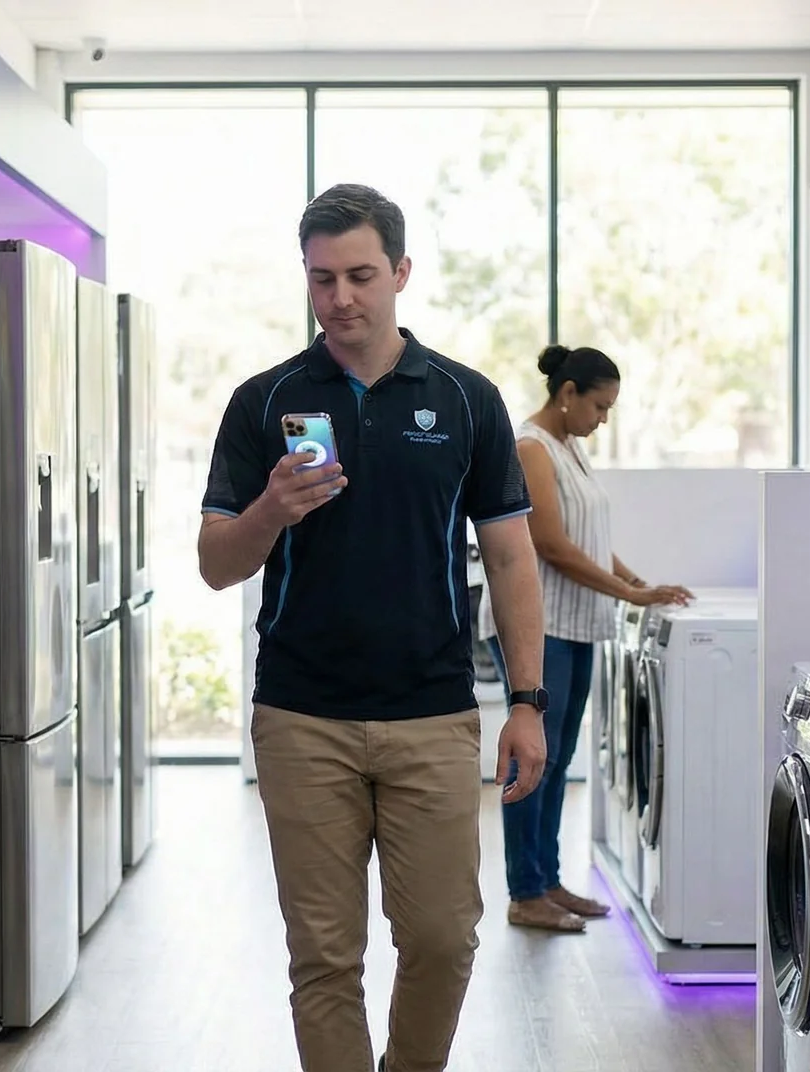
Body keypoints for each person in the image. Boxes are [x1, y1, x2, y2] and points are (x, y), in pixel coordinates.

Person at [196, 183, 550, 1072]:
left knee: (442, 938)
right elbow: (214, 563)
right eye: (322, 280)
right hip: (301, 716)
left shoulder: (466, 400)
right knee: (324, 957)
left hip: (431, 712)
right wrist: (272, 508)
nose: (341, 297)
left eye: (360, 275)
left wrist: (529, 701)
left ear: (400, 272)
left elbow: (511, 559)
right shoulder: (262, 400)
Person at [476, 343, 693, 933]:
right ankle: (524, 893)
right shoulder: (531, 448)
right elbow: (550, 544)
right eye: (599, 406)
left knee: (559, 757)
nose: (603, 419)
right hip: (537, 627)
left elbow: (588, 539)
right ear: (566, 394)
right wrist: (631, 596)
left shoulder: (568, 449)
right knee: (535, 760)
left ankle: (546, 882)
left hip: (574, 622)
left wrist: (639, 582)